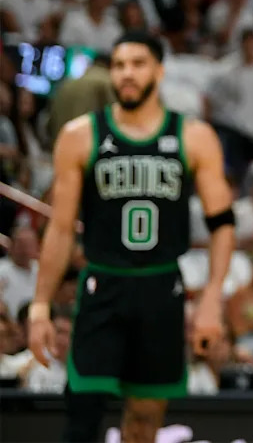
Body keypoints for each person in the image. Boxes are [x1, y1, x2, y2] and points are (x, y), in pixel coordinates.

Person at [28, 32, 236, 443]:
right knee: (82, 416)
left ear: (159, 72)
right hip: (103, 284)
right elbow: (61, 228)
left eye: (138, 64)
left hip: (161, 288)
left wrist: (212, 297)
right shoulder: (80, 135)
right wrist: (39, 305)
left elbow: (223, 224)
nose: (127, 74)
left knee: (143, 422)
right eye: (119, 65)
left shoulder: (193, 136)